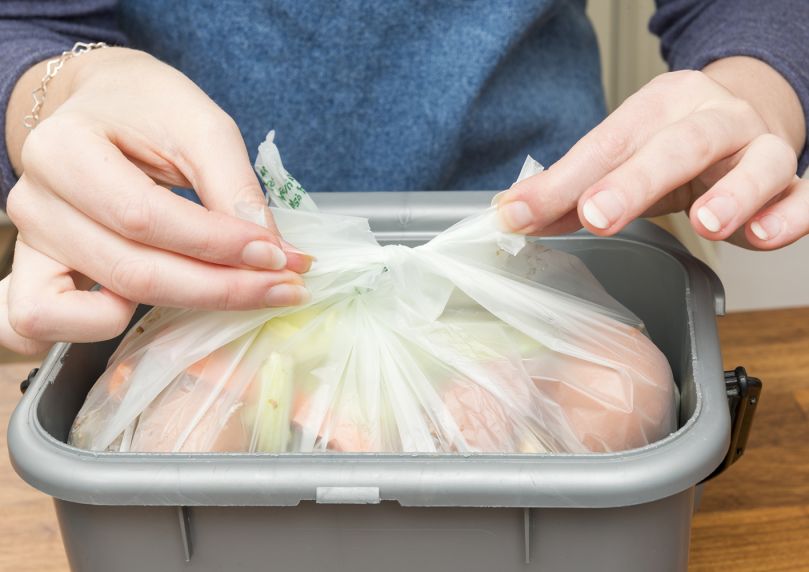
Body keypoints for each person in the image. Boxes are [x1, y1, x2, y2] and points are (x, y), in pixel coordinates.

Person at [0, 0, 806, 355]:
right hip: (177, 289)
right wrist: (54, 96)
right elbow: (30, 22)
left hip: (547, 268)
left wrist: (755, 91)